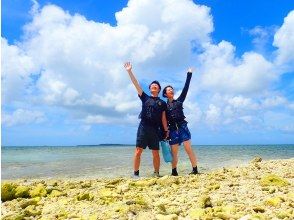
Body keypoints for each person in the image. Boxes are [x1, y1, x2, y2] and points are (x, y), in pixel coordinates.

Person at [124, 62, 169, 178]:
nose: (154, 86)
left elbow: (164, 118)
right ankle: (136, 174)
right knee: (138, 151)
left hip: (155, 129)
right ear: (149, 89)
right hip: (143, 127)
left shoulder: (162, 103)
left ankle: (156, 173)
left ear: (159, 89)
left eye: (156, 85)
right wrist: (129, 71)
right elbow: (136, 84)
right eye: (152, 85)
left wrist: (166, 131)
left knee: (155, 152)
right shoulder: (145, 97)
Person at [162, 68, 198, 176]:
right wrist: (165, 132)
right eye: (169, 90)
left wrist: (189, 74)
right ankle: (174, 172)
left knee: (188, 149)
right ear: (165, 94)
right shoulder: (164, 106)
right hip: (172, 130)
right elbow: (162, 119)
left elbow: (185, 88)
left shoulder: (179, 101)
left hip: (183, 127)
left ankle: (195, 170)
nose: (171, 90)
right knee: (174, 153)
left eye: (172, 89)